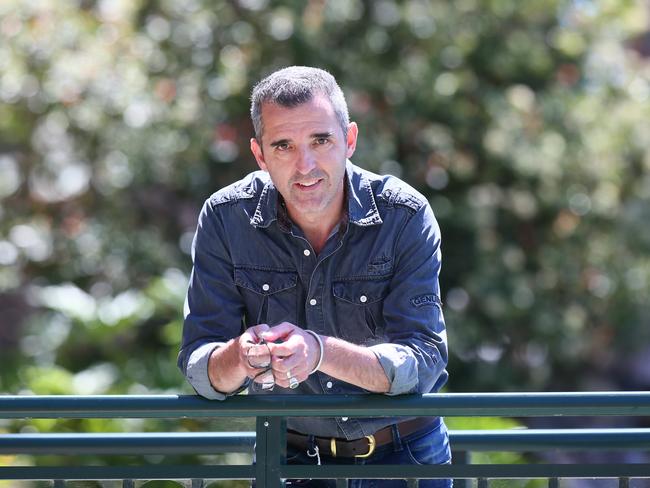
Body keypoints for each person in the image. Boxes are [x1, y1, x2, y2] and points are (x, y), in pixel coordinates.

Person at [178, 66, 451, 487]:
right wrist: (241, 356)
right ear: (260, 155)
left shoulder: (404, 216)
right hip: (289, 460)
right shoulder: (225, 217)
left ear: (350, 140)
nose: (305, 165)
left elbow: (425, 360)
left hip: (406, 456)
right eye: (283, 146)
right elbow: (200, 364)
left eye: (320, 140)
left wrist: (320, 351)